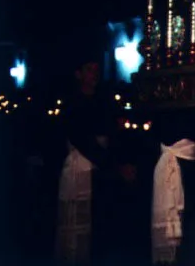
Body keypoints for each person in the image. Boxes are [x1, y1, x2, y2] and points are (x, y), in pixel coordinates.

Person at [55, 60, 135, 265]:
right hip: (85, 165)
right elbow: (80, 138)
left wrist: (121, 161)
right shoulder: (73, 102)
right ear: (78, 74)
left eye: (96, 70)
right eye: (89, 70)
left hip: (103, 171)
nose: (94, 74)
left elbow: (114, 134)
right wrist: (112, 164)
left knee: (102, 228)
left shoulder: (104, 101)